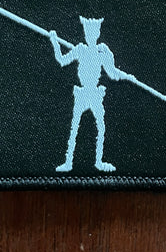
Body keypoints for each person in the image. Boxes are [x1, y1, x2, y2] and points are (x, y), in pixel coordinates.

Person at [49, 17, 123, 172]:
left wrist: (124, 73)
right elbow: (62, 60)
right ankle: (68, 162)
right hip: (82, 93)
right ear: (85, 33)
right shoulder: (80, 49)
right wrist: (54, 41)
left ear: (97, 33)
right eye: (88, 32)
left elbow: (113, 73)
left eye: (93, 32)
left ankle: (98, 161)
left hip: (95, 93)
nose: (90, 35)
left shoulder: (102, 52)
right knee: (74, 128)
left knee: (100, 128)